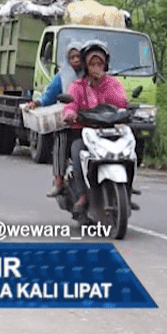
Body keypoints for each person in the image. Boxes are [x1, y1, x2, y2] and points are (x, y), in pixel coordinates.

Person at [62, 41, 128, 214]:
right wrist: (70, 114)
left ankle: (127, 188)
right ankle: (82, 193)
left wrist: (103, 83)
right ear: (85, 66)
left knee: (130, 151)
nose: (96, 68)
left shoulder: (113, 84)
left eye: (100, 64)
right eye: (92, 64)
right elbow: (70, 105)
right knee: (77, 151)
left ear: (105, 65)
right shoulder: (78, 86)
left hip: (110, 132)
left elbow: (121, 102)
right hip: (85, 132)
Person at [24, 41, 84, 197]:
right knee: (61, 139)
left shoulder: (90, 73)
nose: (76, 60)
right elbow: (50, 95)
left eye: (79, 56)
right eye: (72, 57)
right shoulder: (62, 76)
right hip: (70, 120)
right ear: (68, 59)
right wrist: (36, 103)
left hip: (89, 120)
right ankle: (59, 181)